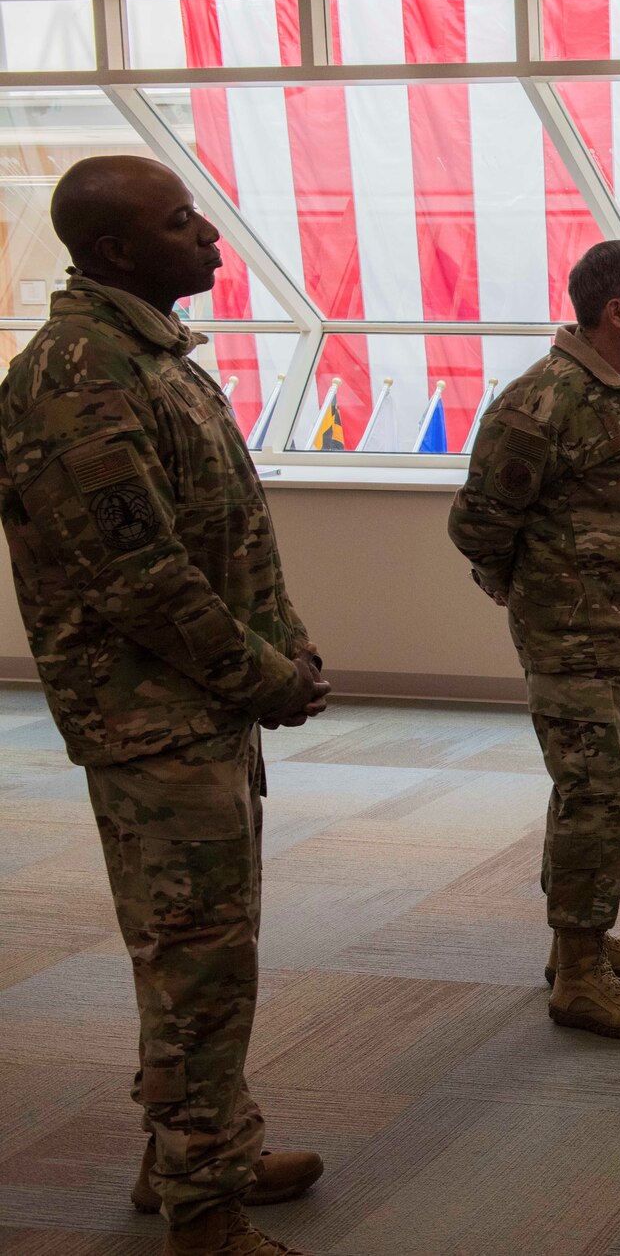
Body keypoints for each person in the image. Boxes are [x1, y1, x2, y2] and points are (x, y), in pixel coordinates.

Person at [0, 157, 331, 1256]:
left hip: (198, 711)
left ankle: (192, 1151)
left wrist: (282, 641)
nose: (211, 238)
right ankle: (205, 1211)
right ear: (113, 252)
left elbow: (216, 532)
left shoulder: (147, 354)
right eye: (180, 222)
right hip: (154, 721)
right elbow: (142, 579)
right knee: (196, 958)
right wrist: (267, 676)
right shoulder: (77, 377)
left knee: (204, 947)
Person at [449, 240, 620, 1040]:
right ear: (616, 311)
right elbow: (477, 525)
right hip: (572, 642)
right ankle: (579, 975)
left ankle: (581, 936)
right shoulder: (540, 402)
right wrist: (536, 600)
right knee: (594, 795)